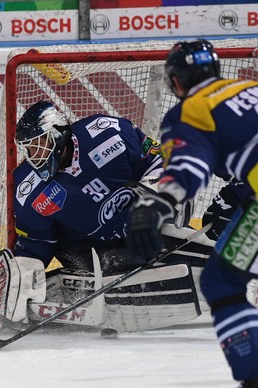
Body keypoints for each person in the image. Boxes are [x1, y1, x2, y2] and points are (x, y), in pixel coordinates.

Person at [0, 100, 213, 331]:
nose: (34, 156)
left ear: (58, 134)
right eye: (29, 149)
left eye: (39, 145)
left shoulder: (108, 131)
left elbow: (158, 160)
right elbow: (37, 244)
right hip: (89, 254)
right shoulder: (28, 190)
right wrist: (23, 276)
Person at [125, 39, 258, 387]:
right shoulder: (251, 87)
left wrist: (158, 203)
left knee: (221, 281)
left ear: (177, 82)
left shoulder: (191, 111)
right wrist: (236, 199)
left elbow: (188, 167)